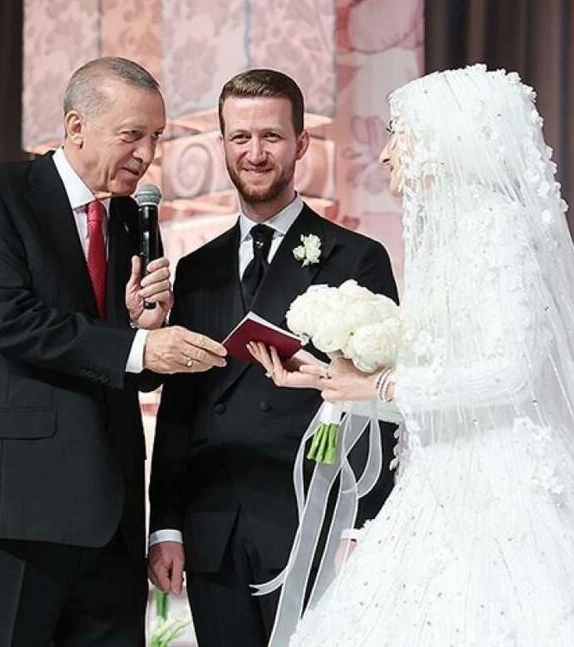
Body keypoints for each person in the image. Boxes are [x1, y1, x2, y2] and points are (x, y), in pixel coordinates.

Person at [253, 65, 574, 646]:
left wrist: (383, 387)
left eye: (398, 134)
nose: (385, 154)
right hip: (437, 487)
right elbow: (444, 397)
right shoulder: (446, 238)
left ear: (445, 139)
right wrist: (334, 381)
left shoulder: (501, 231)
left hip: (508, 495)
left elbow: (511, 377)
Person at [0, 57, 227, 646]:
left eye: (156, 137)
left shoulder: (135, 221)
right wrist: (138, 343)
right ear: (75, 128)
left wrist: (143, 324)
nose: (146, 155)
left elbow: (129, 368)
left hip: (110, 516)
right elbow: (9, 320)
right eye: (131, 135)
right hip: (11, 507)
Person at [148, 69, 397, 647]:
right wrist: (166, 523)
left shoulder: (357, 258)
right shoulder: (196, 269)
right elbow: (179, 407)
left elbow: (384, 404)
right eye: (240, 138)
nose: (255, 153)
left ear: (301, 143)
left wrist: (368, 524)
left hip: (314, 522)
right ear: (223, 144)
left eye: (271, 137)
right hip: (214, 530)